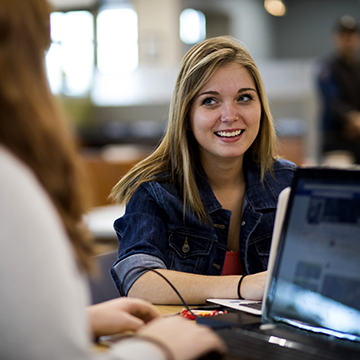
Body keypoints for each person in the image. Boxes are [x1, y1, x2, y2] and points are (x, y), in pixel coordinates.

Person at [0, 0, 226, 359]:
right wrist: (158, 349)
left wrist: (76, 320)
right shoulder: (10, 183)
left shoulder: (283, 179)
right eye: (210, 101)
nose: (228, 116)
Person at [110, 36, 297, 305]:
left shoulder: (287, 183)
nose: (230, 115)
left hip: (270, 340)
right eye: (210, 101)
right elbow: (139, 280)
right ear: (186, 115)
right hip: (186, 339)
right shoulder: (155, 190)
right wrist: (244, 286)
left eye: (244, 98)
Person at [317, 15, 360, 164]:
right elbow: (333, 102)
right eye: (344, 35)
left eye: (352, 35)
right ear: (336, 38)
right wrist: (354, 119)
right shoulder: (327, 68)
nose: (348, 40)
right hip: (336, 142)